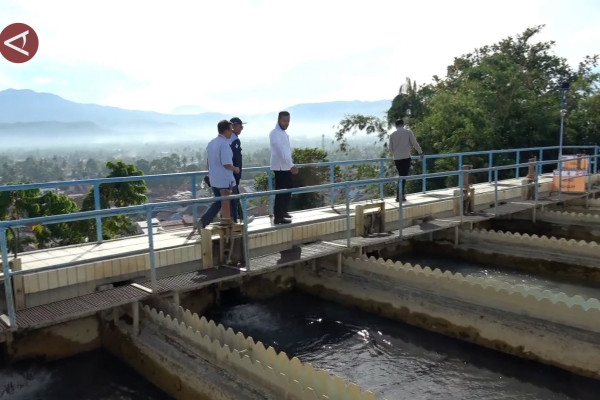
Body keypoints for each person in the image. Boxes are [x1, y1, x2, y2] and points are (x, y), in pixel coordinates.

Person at [199, 120, 239, 229]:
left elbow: (208, 162)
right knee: (233, 200)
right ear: (226, 130)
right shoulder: (224, 144)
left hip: (214, 180)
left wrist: (210, 173)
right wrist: (235, 168)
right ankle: (234, 222)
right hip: (225, 180)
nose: (232, 132)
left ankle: (203, 222)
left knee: (218, 202)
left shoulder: (211, 143)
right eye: (230, 130)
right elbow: (226, 164)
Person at [269, 111, 298, 224]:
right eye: (284, 121)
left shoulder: (282, 133)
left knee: (288, 189)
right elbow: (281, 151)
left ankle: (283, 211)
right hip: (280, 167)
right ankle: (278, 217)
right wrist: (291, 165)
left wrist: (290, 164)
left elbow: (286, 151)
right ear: (279, 120)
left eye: (288, 121)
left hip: (286, 166)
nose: (287, 123)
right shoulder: (275, 133)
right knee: (281, 192)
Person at [388, 118, 424, 201]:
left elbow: (390, 149)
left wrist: (396, 152)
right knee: (403, 176)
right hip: (406, 157)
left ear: (395, 126)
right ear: (403, 124)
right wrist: (420, 152)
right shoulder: (408, 132)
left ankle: (400, 195)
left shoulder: (392, 135)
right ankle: (400, 195)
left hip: (397, 158)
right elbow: (415, 143)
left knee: (401, 176)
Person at [229, 117, 254, 224]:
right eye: (240, 127)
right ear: (233, 126)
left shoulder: (227, 139)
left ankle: (235, 219)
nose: (241, 129)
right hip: (233, 173)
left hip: (230, 173)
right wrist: (236, 169)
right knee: (235, 197)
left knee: (232, 197)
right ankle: (240, 219)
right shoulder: (234, 140)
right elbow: (235, 158)